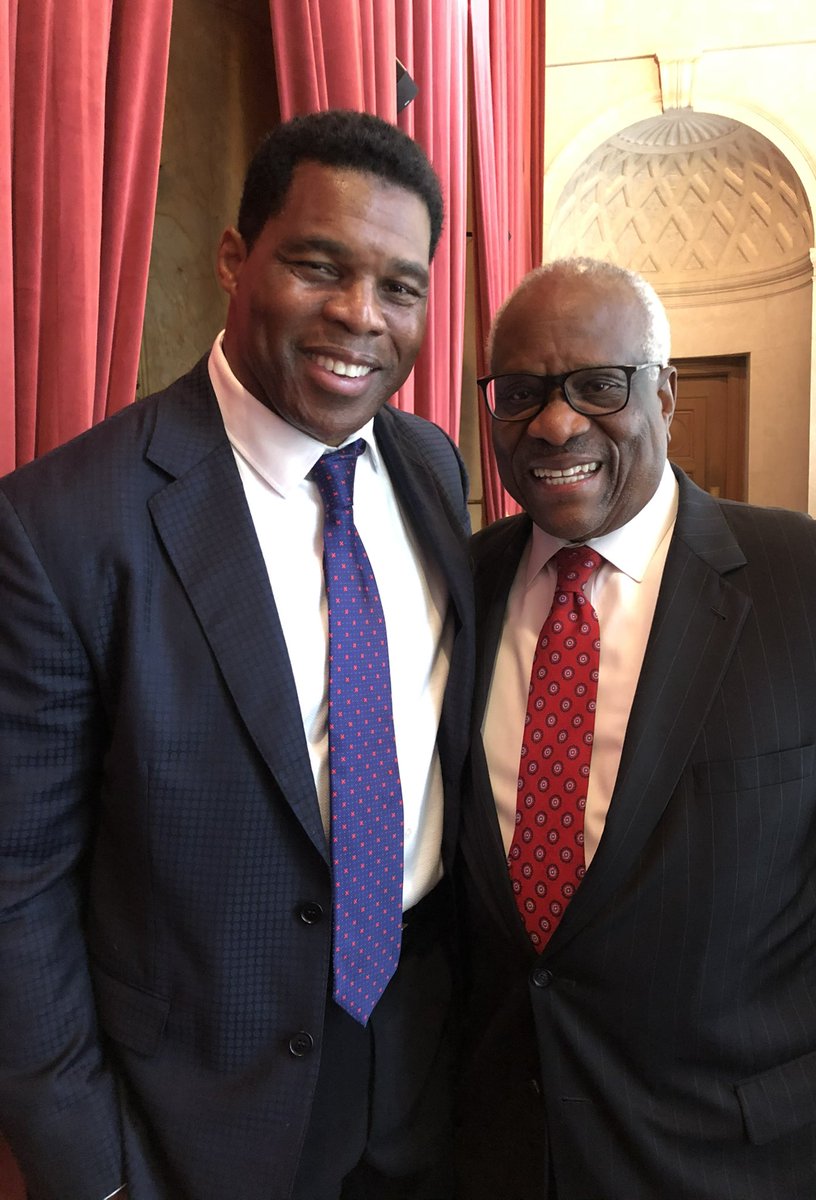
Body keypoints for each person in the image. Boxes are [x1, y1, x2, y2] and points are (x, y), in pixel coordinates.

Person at [0, 110, 474, 1200]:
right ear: (233, 258)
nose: (361, 316)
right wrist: (95, 1174)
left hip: (421, 1076)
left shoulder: (432, 468)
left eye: (401, 286)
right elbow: (16, 889)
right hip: (192, 1124)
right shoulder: (63, 528)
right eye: (320, 265)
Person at [455, 257, 816, 1200]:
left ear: (664, 393)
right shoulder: (453, 589)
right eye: (523, 393)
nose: (557, 422)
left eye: (597, 385)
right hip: (502, 1154)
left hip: (754, 1165)